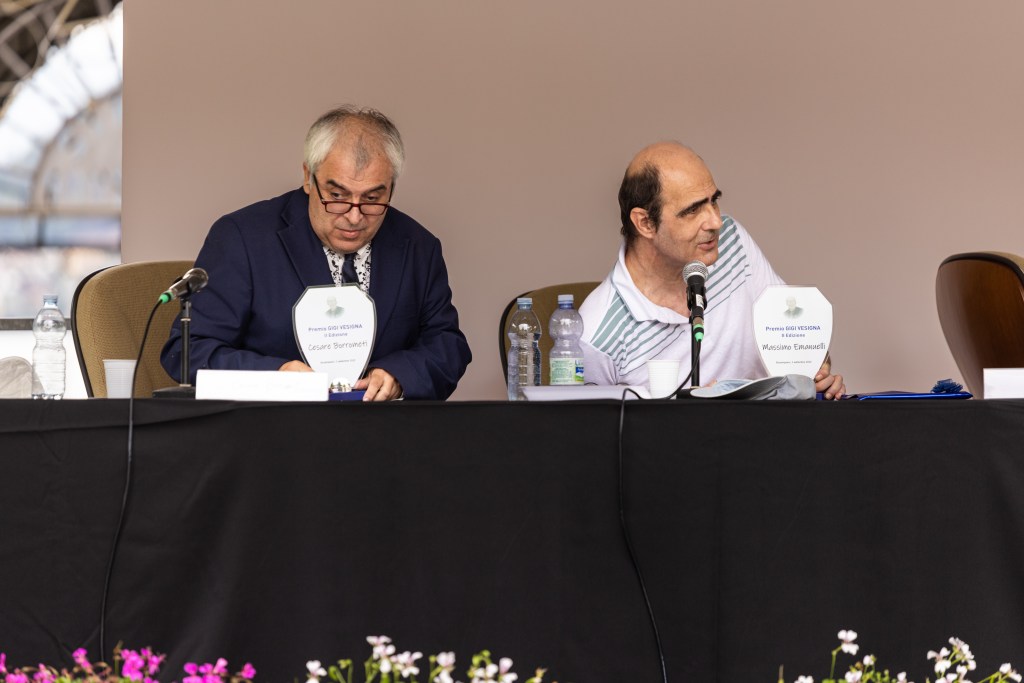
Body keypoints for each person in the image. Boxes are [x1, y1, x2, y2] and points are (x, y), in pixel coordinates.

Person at [161, 106, 472, 400]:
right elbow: (188, 350)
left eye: (372, 199)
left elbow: (447, 345)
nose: (354, 217)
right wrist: (276, 375)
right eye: (337, 196)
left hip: (380, 430)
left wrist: (399, 375)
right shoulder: (243, 238)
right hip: (271, 428)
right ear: (308, 177)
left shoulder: (417, 246)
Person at [579, 142, 845, 399]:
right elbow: (591, 427)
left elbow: (795, 336)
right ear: (645, 222)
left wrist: (815, 369)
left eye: (713, 201)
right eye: (693, 210)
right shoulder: (596, 336)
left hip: (766, 427)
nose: (716, 221)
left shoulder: (732, 242)